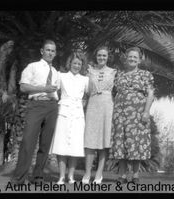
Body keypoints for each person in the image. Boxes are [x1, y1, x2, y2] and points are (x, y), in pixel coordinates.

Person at [10, 39, 59, 185]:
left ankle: (38, 176)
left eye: (53, 50)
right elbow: (23, 87)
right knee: (28, 141)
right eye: (48, 50)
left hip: (52, 107)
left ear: (55, 53)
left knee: (45, 144)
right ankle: (18, 178)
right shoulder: (32, 67)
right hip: (36, 105)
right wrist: (44, 89)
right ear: (42, 51)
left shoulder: (56, 72)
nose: (50, 52)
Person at [109, 47, 155, 184]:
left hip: (138, 114)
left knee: (137, 143)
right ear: (126, 58)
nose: (132, 59)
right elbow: (114, 93)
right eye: (130, 56)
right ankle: (122, 175)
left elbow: (151, 94)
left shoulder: (146, 75)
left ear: (139, 60)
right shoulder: (119, 75)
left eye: (135, 57)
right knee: (121, 143)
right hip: (120, 115)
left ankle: (135, 175)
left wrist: (146, 111)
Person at [49, 51, 89, 185]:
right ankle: (61, 176)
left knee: (75, 146)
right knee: (61, 145)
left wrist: (85, 103)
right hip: (64, 113)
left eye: (79, 63)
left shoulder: (85, 79)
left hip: (78, 114)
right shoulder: (62, 76)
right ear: (69, 63)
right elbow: (54, 91)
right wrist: (57, 102)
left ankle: (71, 176)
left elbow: (91, 95)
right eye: (74, 63)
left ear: (82, 65)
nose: (76, 66)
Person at [82, 46, 117, 184]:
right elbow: (85, 90)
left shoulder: (113, 72)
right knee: (90, 141)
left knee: (104, 141)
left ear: (108, 57)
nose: (102, 58)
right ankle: (87, 172)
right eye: (99, 55)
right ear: (96, 56)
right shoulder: (89, 71)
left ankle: (99, 173)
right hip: (93, 104)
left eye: (104, 55)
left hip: (107, 106)